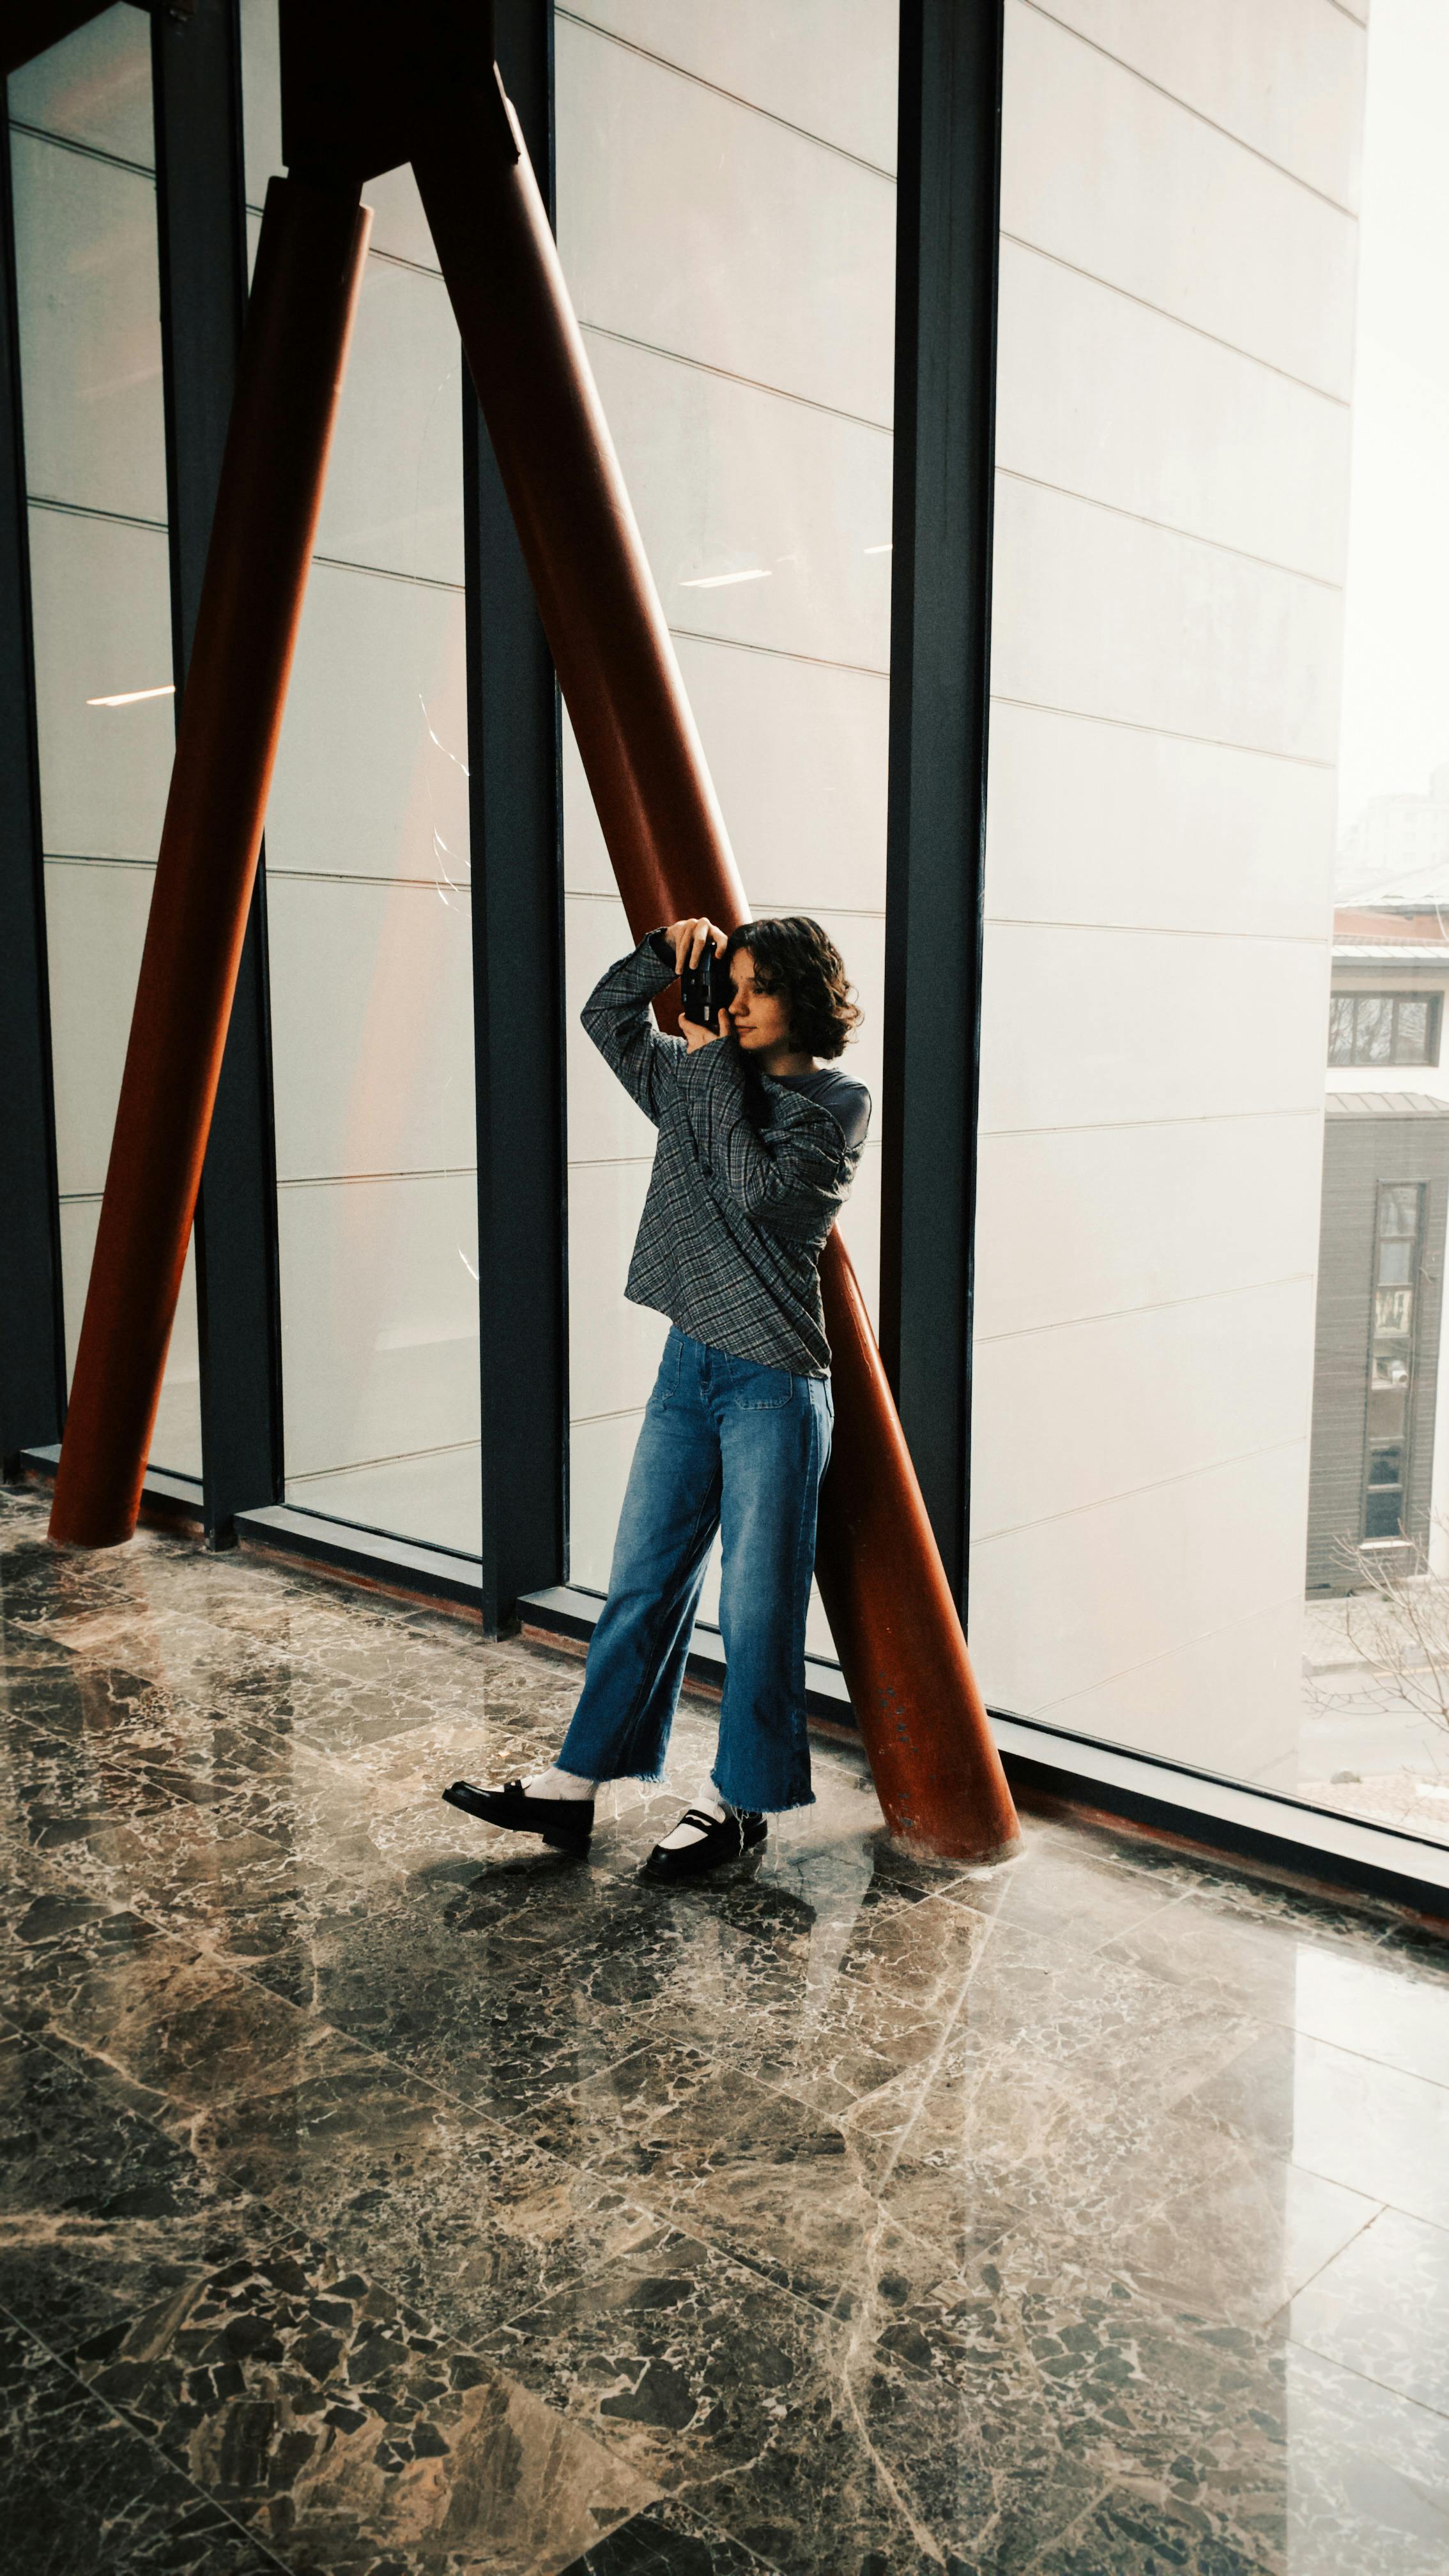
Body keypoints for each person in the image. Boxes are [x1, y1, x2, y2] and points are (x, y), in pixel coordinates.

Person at [443, 911, 871, 1881]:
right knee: (643, 1585)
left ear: (803, 995)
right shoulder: (698, 1080)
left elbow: (763, 1192)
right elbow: (606, 1016)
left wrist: (710, 1057)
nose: (736, 1004)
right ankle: (573, 1790)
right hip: (690, 1367)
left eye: (759, 987)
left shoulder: (836, 1104)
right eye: (735, 985)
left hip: (773, 1380)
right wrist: (663, 956)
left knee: (757, 1606)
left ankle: (740, 1805)